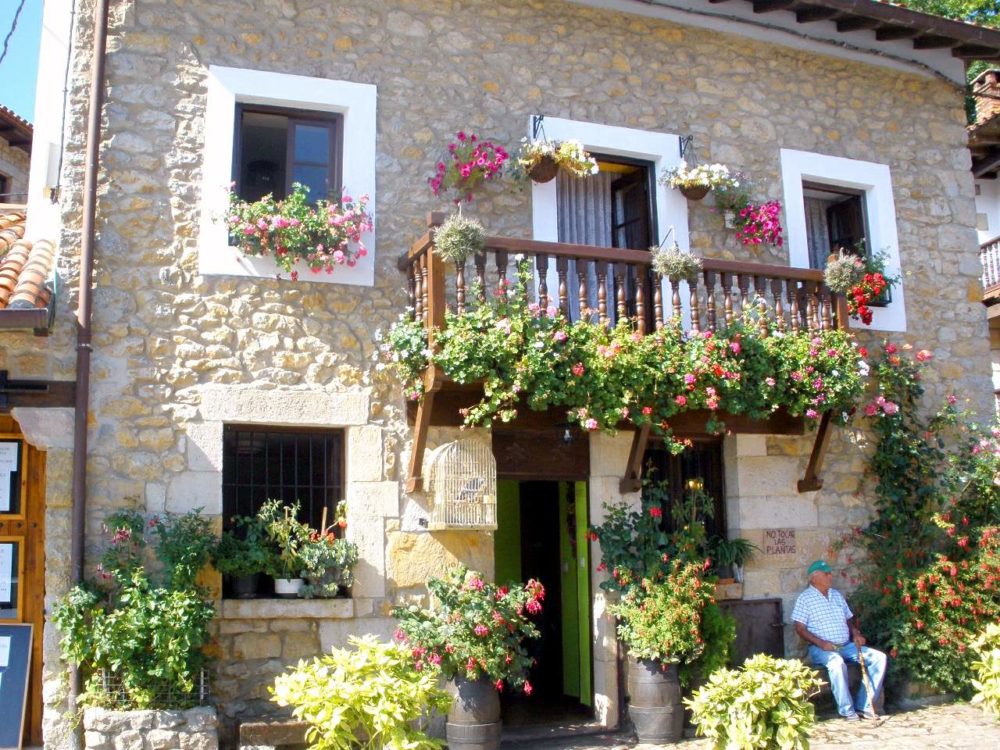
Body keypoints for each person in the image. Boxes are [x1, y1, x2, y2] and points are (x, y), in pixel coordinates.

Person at [791, 559, 887, 721]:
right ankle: (847, 711)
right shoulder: (805, 599)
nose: (830, 576)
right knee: (836, 663)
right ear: (814, 577)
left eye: (830, 573)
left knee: (879, 658)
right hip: (821, 649)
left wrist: (855, 634)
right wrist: (821, 643)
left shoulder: (836, 595)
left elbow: (848, 618)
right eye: (826, 574)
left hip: (846, 646)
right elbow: (799, 628)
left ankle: (864, 706)